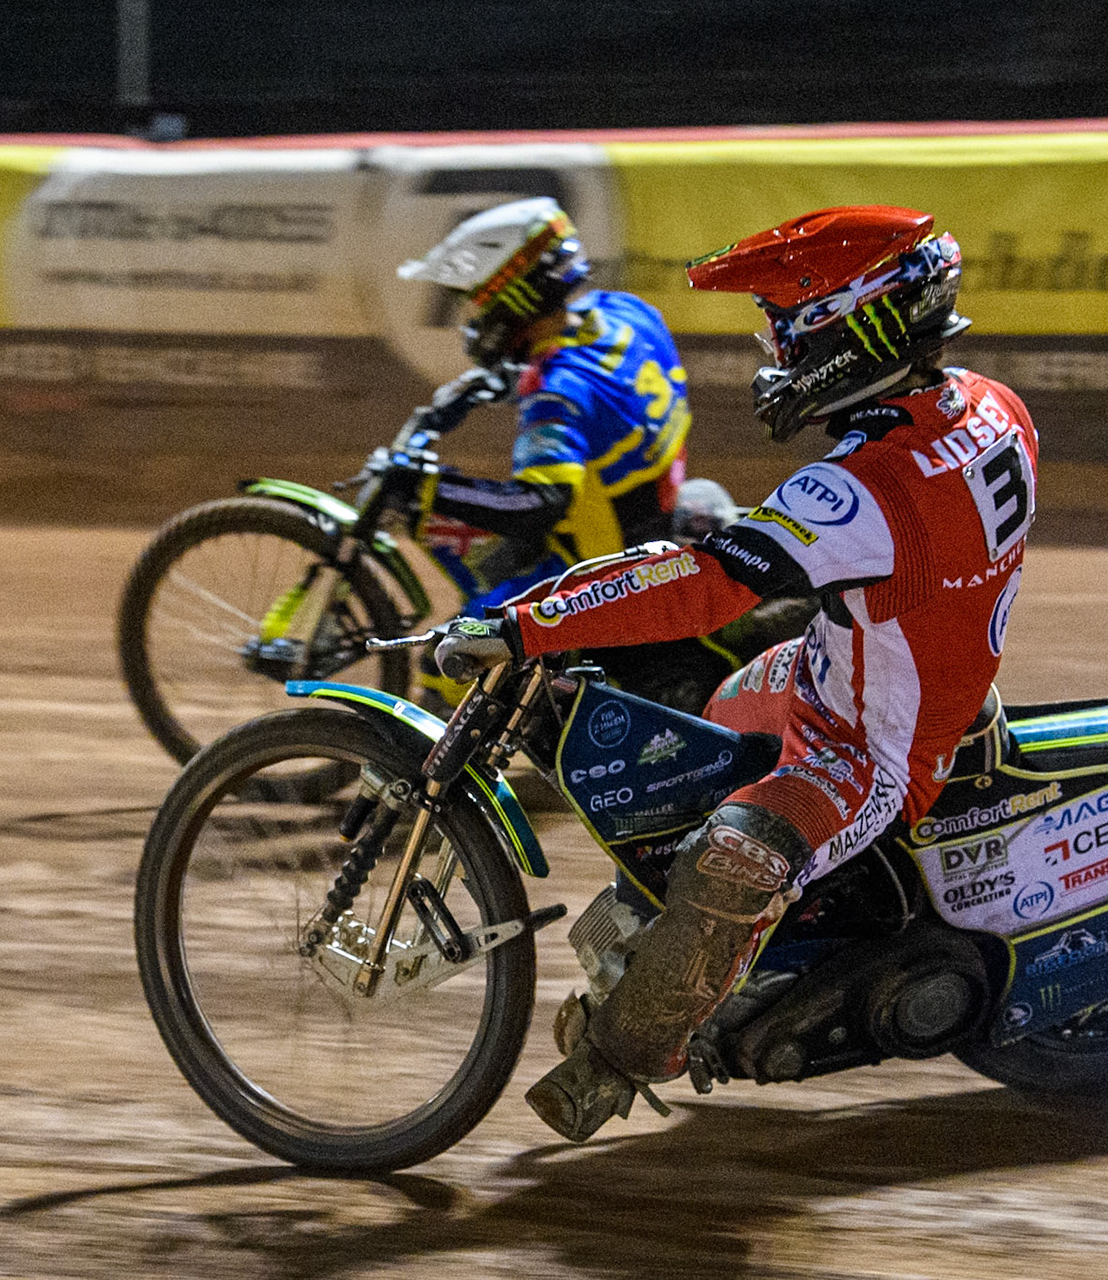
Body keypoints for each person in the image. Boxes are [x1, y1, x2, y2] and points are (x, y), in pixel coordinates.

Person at [435, 205, 1040, 1141]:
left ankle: (619, 1060)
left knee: (724, 859)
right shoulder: (993, 404)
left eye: (785, 326)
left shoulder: (862, 487)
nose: (775, 349)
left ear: (847, 327)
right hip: (843, 671)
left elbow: (705, 587)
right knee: (699, 738)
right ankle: (767, 937)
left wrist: (529, 624)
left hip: (873, 752)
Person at [390, 197, 693, 705]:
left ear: (516, 298)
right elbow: (604, 393)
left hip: (595, 570)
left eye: (479, 303)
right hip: (652, 512)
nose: (473, 319)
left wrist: (427, 490)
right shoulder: (627, 313)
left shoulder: (557, 396)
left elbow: (536, 505)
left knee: (444, 658)